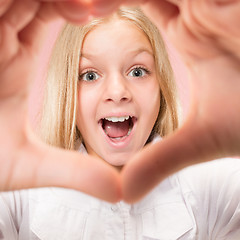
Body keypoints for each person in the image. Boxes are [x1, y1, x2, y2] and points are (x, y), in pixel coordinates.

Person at [1, 7, 240, 239]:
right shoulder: (19, 196)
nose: (117, 92)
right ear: (66, 90)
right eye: (90, 75)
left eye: (137, 72)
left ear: (161, 86)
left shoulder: (211, 187)